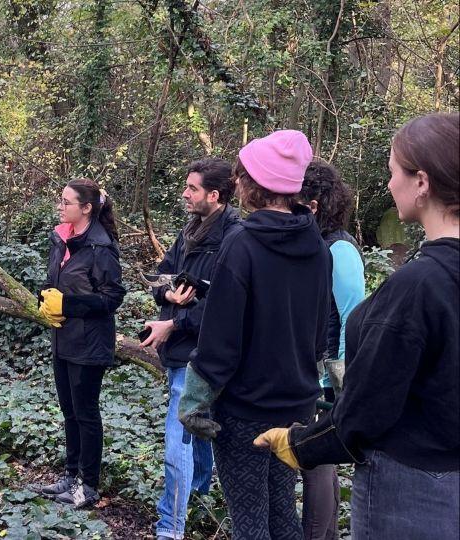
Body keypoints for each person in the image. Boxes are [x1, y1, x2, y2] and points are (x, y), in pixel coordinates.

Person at [255, 112, 459, 540]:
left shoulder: (419, 285)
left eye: (392, 172)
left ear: (422, 182)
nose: (388, 185)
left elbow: (368, 409)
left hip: (413, 490)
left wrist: (300, 444)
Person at [178, 130, 332, 539]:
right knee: (282, 512)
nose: (236, 183)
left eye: (241, 176)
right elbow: (320, 330)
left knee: (249, 521)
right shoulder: (315, 243)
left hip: (246, 408)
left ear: (253, 184)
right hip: (297, 403)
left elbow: (221, 336)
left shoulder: (242, 242)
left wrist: (195, 398)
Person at [142, 158, 240, 540]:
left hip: (201, 356)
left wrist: (175, 322)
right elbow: (161, 274)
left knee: (178, 438)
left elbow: (225, 308)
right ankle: (197, 494)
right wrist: (167, 293)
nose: (184, 193)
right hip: (178, 349)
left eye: (192, 188)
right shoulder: (190, 232)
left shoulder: (234, 237)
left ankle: (171, 526)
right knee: (196, 430)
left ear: (214, 196)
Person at [32, 177, 126, 509]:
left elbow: (113, 297)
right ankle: (70, 477)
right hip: (63, 340)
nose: (60, 206)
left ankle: (89, 485)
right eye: (61, 200)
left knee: (86, 414)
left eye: (66, 202)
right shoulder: (61, 239)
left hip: (90, 345)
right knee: (69, 412)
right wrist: (43, 299)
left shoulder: (101, 247)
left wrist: (68, 306)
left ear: (86, 208)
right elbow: (51, 281)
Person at [296, 160, 365, 540]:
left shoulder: (339, 249)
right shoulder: (319, 244)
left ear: (314, 205)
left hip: (326, 374)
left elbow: (352, 316)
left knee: (317, 462)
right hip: (313, 368)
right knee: (322, 461)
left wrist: (338, 380)